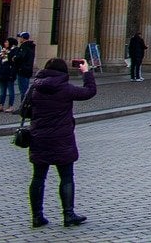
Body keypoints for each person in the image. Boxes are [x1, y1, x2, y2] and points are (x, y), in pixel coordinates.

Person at [26, 57, 96, 228]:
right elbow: (89, 91)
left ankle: (37, 216)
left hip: (39, 137)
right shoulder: (66, 89)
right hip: (62, 138)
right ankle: (68, 214)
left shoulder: (35, 87)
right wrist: (86, 72)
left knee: (38, 177)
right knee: (66, 177)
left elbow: (24, 111)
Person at [0, 36, 18, 112]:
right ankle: (1, 105)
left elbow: (13, 62)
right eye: (5, 42)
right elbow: (1, 63)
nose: (5, 43)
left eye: (7, 42)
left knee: (11, 90)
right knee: (2, 91)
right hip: (2, 73)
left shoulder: (14, 51)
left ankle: (10, 106)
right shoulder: (4, 50)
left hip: (10, 73)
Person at [15, 31, 37, 99]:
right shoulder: (31, 46)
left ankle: (23, 106)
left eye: (20, 37)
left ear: (23, 38)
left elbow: (21, 57)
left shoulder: (24, 46)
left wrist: (15, 58)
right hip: (28, 69)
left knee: (23, 90)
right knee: (25, 89)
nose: (19, 39)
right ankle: (24, 105)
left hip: (22, 69)